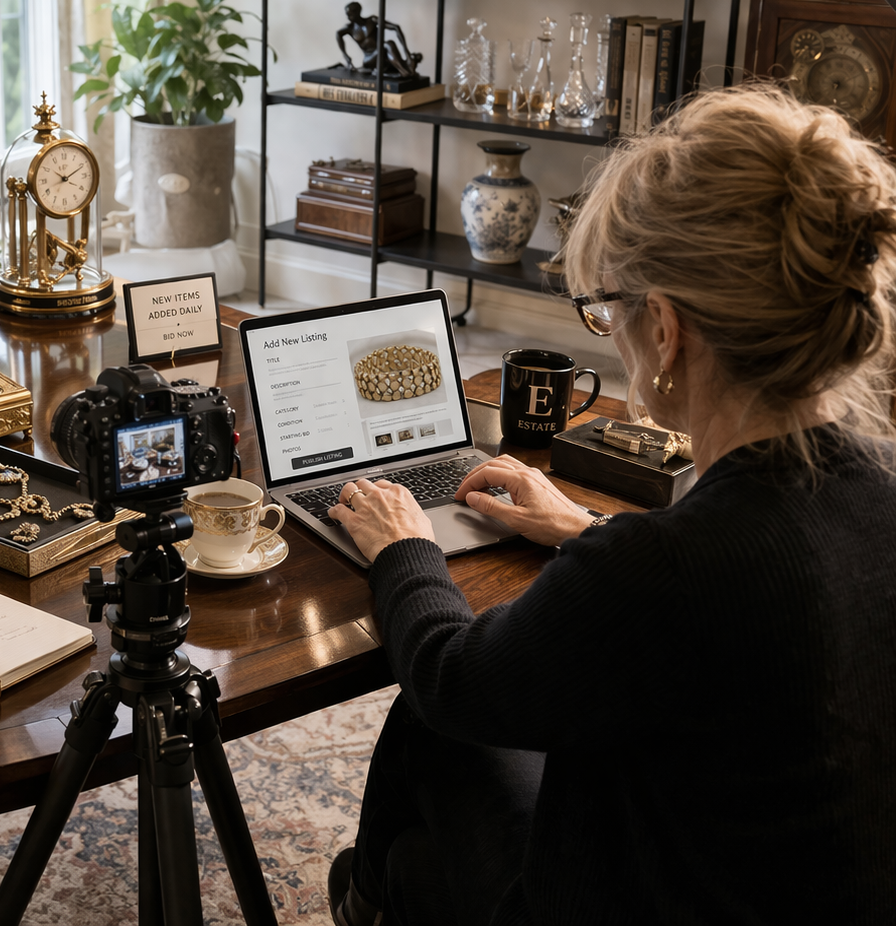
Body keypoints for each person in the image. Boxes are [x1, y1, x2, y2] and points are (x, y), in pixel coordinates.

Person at [325, 84, 896, 925]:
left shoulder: (662, 568)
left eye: (608, 312)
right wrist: (584, 529)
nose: (613, 333)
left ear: (665, 330)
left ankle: (373, 897)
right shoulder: (876, 487)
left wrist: (406, 544)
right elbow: (733, 601)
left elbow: (454, 678)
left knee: (428, 739)